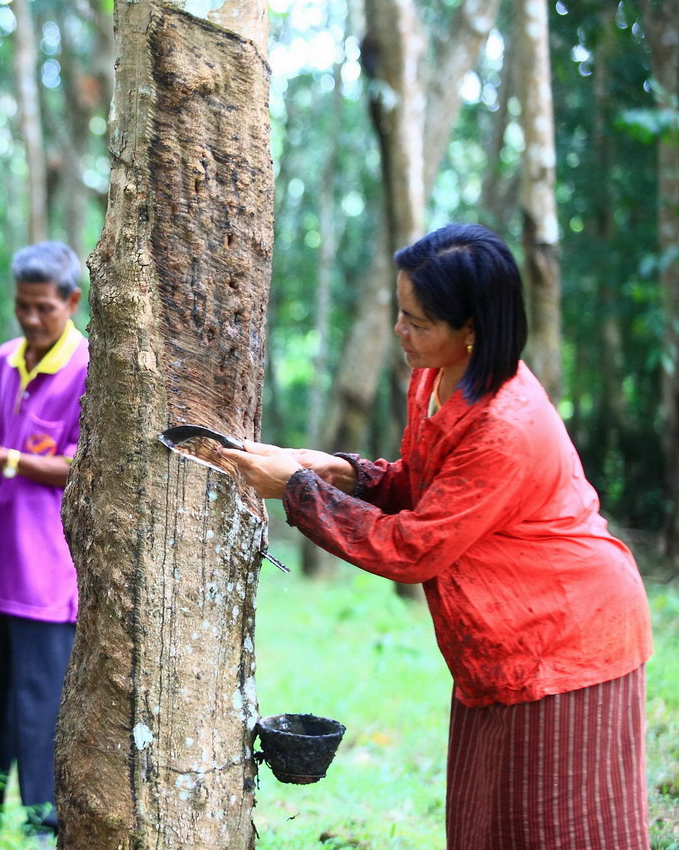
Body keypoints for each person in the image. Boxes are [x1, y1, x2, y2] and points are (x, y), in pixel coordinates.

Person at [221, 224, 653, 849]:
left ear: (471, 329)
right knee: (491, 822)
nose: (401, 332)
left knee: (556, 827)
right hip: (499, 639)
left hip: (565, 638)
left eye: (418, 322)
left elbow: (414, 546)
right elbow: (427, 485)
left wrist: (296, 489)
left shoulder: (506, 425)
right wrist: (333, 469)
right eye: (398, 313)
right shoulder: (434, 375)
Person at [0, 241, 87, 838]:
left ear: (71, 302)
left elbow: (85, 465)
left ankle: (46, 822)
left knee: (41, 705)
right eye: (21, 307)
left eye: (43, 308)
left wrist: (8, 460)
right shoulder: (7, 360)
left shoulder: (89, 368)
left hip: (48, 570)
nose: (30, 319)